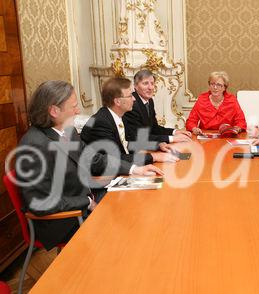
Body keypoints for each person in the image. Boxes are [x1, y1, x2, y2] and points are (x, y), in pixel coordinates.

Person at [15, 80, 163, 249]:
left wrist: (135, 169)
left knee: (137, 206)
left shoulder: (66, 131)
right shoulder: (33, 146)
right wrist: (85, 202)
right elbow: (40, 203)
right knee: (128, 227)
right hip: (65, 219)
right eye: (74, 107)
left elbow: (94, 159)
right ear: (54, 111)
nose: (78, 111)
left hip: (84, 198)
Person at [81, 77, 179, 165]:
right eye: (130, 95)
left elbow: (129, 142)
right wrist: (154, 157)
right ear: (118, 101)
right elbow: (115, 158)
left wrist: (157, 145)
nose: (134, 99)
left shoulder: (120, 115)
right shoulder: (101, 122)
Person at [123, 69, 191, 146]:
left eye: (152, 83)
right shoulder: (132, 103)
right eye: (145, 83)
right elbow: (139, 137)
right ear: (135, 86)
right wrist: (172, 138)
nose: (150, 87)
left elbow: (154, 128)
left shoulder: (149, 101)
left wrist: (175, 132)